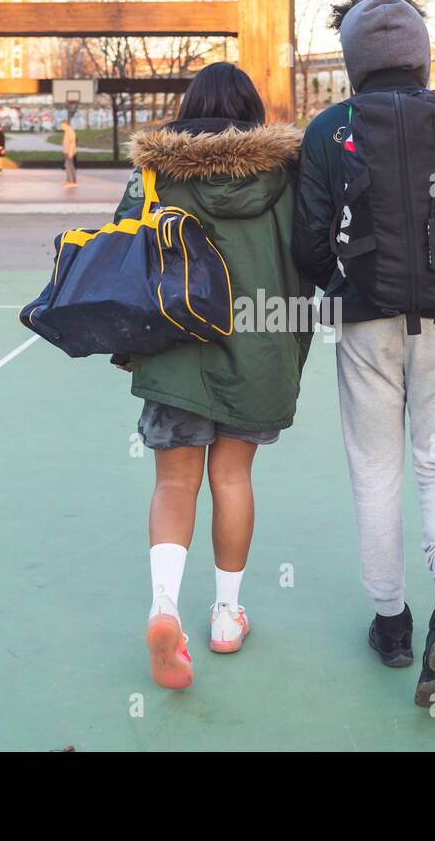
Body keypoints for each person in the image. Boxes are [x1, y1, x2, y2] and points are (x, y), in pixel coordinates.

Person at [293, 0, 435, 710]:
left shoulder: (329, 130)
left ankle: (392, 626)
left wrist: (340, 283)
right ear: (421, 55)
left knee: (375, 471)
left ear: (355, 64)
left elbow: (306, 243)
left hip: (366, 321)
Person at [111, 62, 311, 690]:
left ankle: (163, 609)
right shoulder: (287, 173)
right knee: (233, 477)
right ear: (253, 110)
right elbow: (309, 263)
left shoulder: (156, 171)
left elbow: (124, 257)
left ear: (189, 105)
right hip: (259, 349)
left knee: (175, 483)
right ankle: (226, 615)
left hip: (175, 350)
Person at [60, 119, 77, 187]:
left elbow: (72, 142)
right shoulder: (67, 131)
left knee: (68, 167)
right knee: (70, 166)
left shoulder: (70, 131)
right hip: (66, 152)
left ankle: (70, 182)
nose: (61, 127)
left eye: (62, 125)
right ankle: (71, 181)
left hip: (69, 152)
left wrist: (70, 152)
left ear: (65, 124)